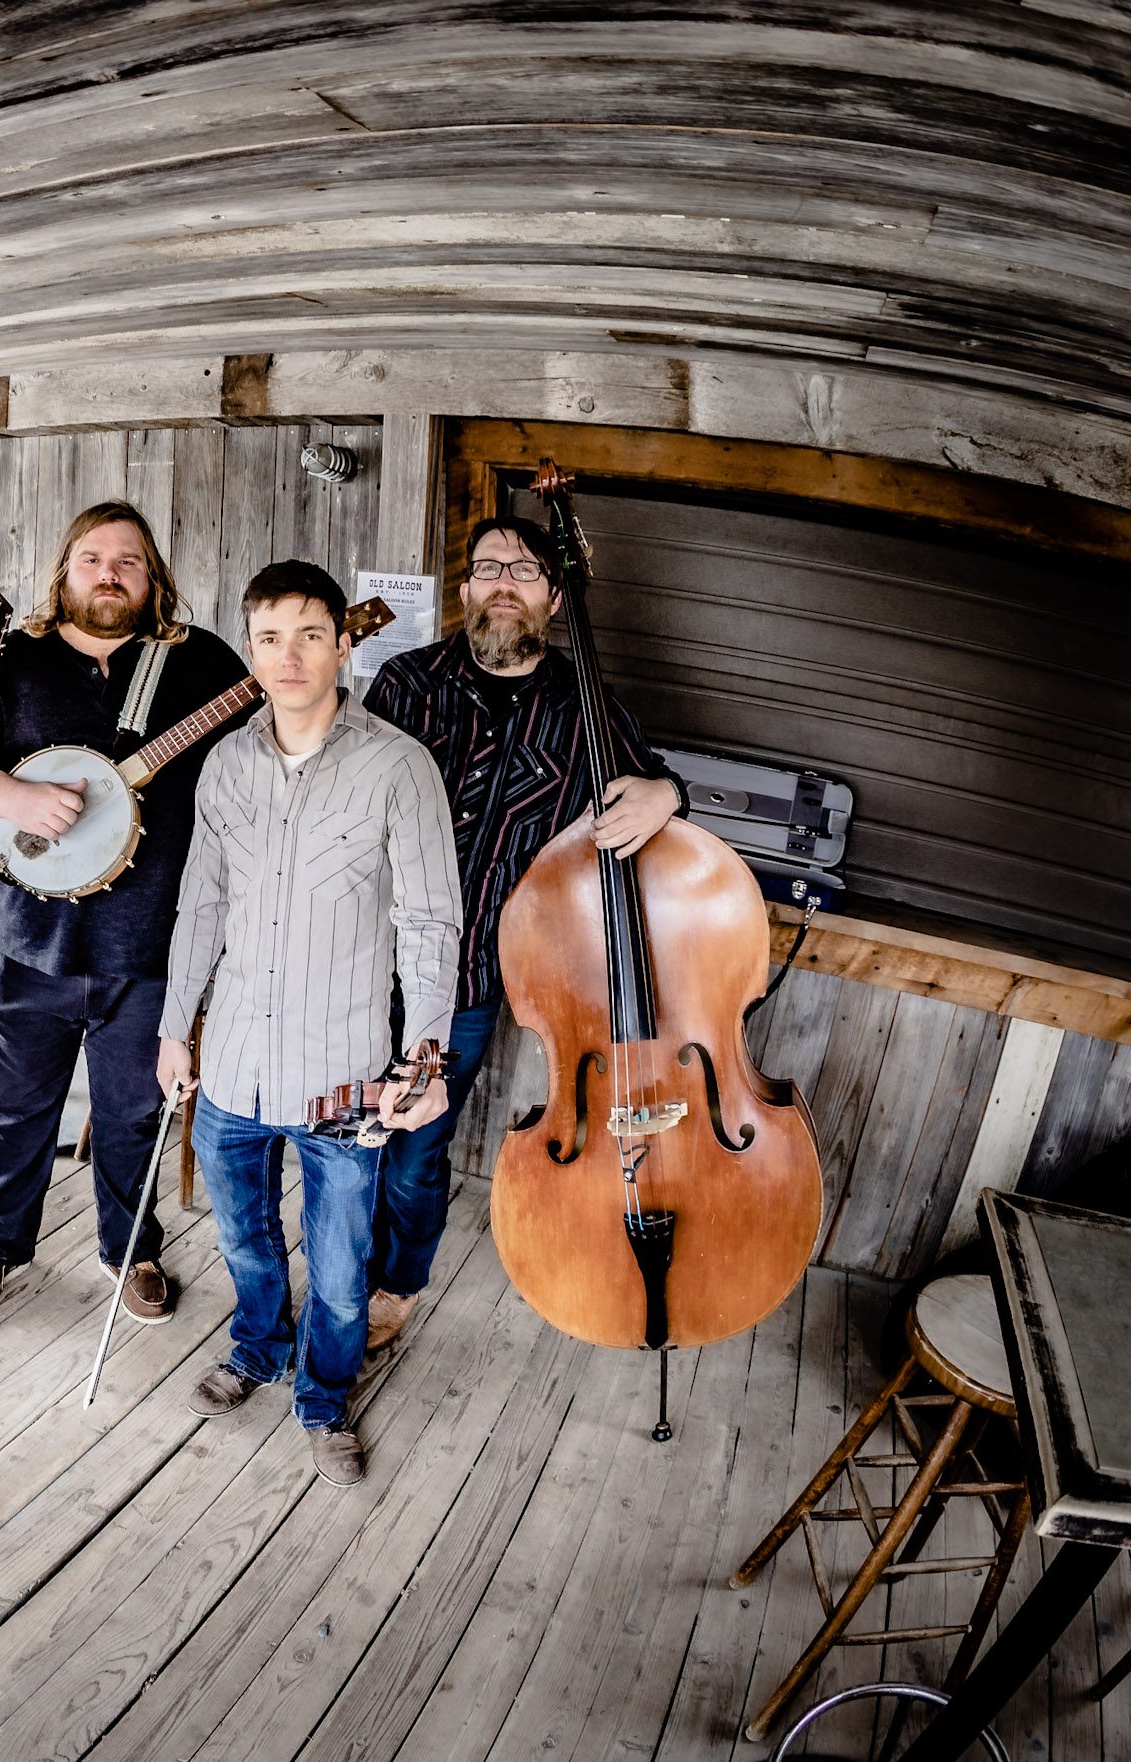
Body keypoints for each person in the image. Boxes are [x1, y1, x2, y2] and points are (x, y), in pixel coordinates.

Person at [158, 560, 461, 1488]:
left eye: (309, 635)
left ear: (343, 643)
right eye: (269, 638)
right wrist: (177, 1028)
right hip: (235, 1067)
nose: (288, 657)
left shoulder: (397, 765)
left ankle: (324, 1398)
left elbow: (428, 920)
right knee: (246, 1239)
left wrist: (428, 1055)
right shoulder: (227, 762)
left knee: (339, 1266)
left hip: (344, 1076)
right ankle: (257, 1345)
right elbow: (200, 904)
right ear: (252, 651)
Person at [0, 501, 249, 1323]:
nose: (109, 573)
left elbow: (264, 746)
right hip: (31, 943)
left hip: (148, 946)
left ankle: (130, 1249)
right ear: (65, 571)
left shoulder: (198, 659)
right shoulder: (14, 656)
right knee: (16, 1109)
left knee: (134, 1116)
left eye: (128, 560)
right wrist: (16, 797)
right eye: (93, 558)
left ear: (153, 575)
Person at [360, 515, 686, 1352]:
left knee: (416, 1146)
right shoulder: (403, 681)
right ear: (465, 588)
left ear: (551, 596)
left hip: (471, 977)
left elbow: (653, 791)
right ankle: (334, 1268)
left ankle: (394, 1282)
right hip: (363, 960)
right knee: (349, 1128)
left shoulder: (587, 705)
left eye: (527, 570)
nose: (504, 581)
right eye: (488, 566)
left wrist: (668, 793)